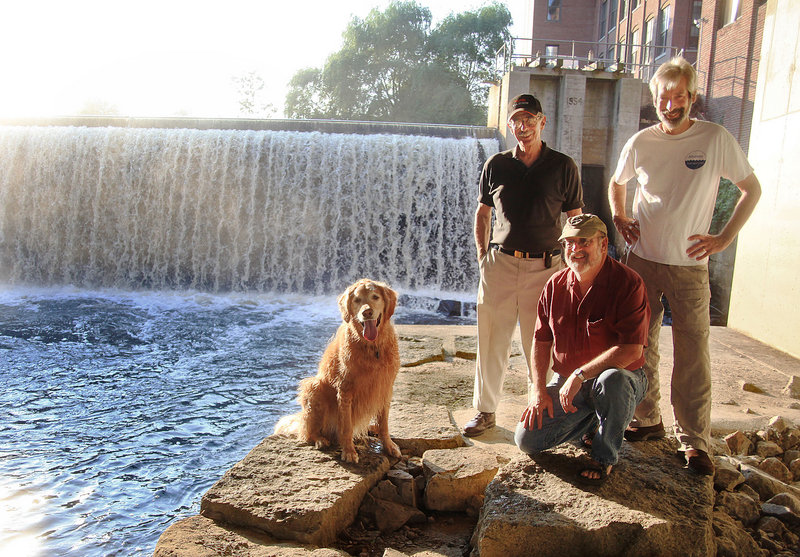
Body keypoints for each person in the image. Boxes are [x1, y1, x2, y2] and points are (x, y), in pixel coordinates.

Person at [608, 56, 762, 475]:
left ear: (691, 97)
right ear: (654, 98)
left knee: (693, 353)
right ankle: (648, 419)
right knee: (642, 346)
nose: (670, 103)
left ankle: (694, 440)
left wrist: (724, 238)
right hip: (641, 261)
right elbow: (617, 182)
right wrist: (620, 217)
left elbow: (751, 188)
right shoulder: (641, 142)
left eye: (679, 96)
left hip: (690, 267)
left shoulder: (714, 138)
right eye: (663, 96)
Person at [463, 94, 583, 437]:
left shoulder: (563, 166)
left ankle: (540, 408)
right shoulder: (496, 164)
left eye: (530, 120)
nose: (523, 126)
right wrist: (482, 256)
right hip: (499, 264)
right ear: (510, 125)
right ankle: (485, 411)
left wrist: (573, 267)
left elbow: (575, 219)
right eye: (517, 120)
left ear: (542, 122)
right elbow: (483, 212)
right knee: (491, 340)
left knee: (541, 342)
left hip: (547, 270)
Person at [515, 214, 650, 484]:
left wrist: (580, 374)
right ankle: (592, 422)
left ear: (603, 244)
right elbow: (541, 340)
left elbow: (631, 350)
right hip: (567, 383)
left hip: (620, 380)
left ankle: (604, 456)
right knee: (527, 439)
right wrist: (538, 390)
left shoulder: (628, 283)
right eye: (569, 243)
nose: (575, 249)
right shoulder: (554, 285)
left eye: (584, 242)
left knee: (613, 380)